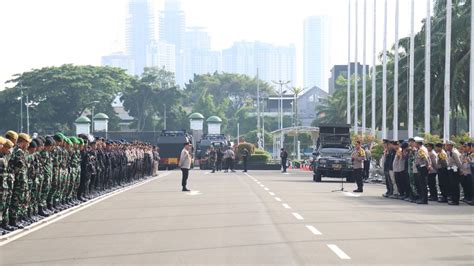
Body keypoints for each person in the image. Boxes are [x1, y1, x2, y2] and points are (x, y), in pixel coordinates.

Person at [414, 137, 431, 204]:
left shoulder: (421, 150)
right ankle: (422, 198)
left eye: (415, 142)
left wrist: (428, 166)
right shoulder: (421, 149)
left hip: (422, 168)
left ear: (418, 143)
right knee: (421, 184)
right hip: (421, 167)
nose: (414, 144)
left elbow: (425, 158)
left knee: (423, 184)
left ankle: (424, 199)